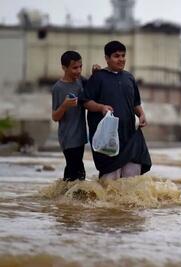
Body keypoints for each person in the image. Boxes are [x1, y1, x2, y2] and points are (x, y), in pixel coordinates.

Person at [83, 40, 152, 180]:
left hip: (129, 137)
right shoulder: (98, 77)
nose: (121, 59)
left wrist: (142, 114)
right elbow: (86, 102)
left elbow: (135, 103)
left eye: (123, 56)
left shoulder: (129, 78)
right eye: (116, 56)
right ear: (107, 58)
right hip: (107, 138)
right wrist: (101, 107)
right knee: (110, 182)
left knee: (131, 181)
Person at [51, 51, 87, 181]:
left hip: (81, 137)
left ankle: (61, 198)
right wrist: (64, 106)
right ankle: (72, 199)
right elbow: (55, 117)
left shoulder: (81, 81)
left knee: (72, 172)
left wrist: (96, 72)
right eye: (74, 68)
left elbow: (95, 87)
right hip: (68, 138)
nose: (78, 71)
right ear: (64, 68)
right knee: (79, 174)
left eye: (80, 67)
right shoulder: (58, 88)